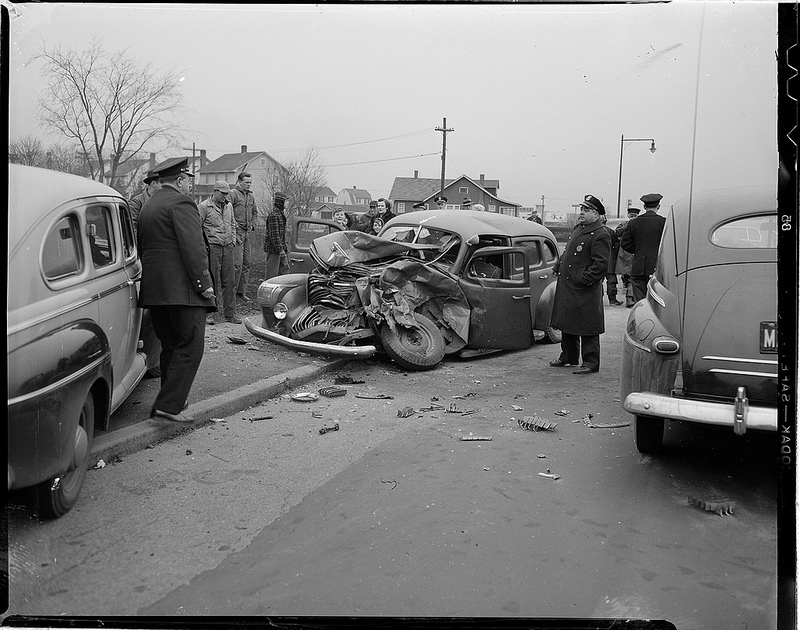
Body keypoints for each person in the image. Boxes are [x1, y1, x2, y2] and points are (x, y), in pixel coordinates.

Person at [137, 157, 216, 423]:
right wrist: (204, 284)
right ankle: (168, 406)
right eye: (186, 180)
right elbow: (194, 249)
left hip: (156, 291)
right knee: (191, 346)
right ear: (180, 180)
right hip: (182, 291)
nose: (188, 186)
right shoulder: (181, 203)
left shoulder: (149, 205)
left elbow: (144, 247)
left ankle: (170, 401)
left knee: (170, 346)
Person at [549, 194, 612, 375]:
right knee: (568, 320)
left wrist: (583, 279)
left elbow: (601, 265)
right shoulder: (580, 228)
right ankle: (568, 356)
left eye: (587, 210)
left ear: (597, 214)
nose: (582, 213)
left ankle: (591, 362)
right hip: (569, 284)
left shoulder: (600, 234)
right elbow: (568, 252)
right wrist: (557, 266)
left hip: (584, 287)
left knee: (587, 324)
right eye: (582, 209)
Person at [198, 181, 240, 325]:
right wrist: (204, 247)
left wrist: (233, 241)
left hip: (227, 247)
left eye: (226, 193)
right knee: (212, 281)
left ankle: (230, 314)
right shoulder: (204, 207)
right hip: (213, 247)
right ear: (215, 191)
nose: (225, 196)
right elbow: (197, 228)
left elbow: (233, 224)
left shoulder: (229, 206)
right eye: (222, 193)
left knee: (230, 281)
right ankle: (210, 314)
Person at [621, 193, 666, 303]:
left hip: (638, 266)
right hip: (657, 267)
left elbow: (625, 244)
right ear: (658, 207)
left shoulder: (633, 223)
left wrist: (637, 250)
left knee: (640, 302)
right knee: (656, 302)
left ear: (644, 207)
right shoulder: (664, 222)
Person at [228, 172, 258, 303]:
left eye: (250, 182)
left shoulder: (251, 196)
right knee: (237, 264)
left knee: (247, 263)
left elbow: (255, 213)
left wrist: (253, 225)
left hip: (247, 234)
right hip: (237, 233)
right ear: (239, 182)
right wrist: (234, 228)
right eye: (246, 182)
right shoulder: (233, 194)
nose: (249, 184)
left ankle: (242, 291)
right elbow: (227, 213)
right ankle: (231, 292)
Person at [615, 208, 640, 307]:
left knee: (632, 277)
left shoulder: (639, 225)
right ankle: (630, 298)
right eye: (631, 216)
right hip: (625, 254)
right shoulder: (623, 224)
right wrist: (627, 225)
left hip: (635, 254)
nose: (632, 218)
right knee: (627, 277)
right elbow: (617, 233)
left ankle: (630, 298)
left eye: (634, 216)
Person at [264, 191, 289, 279]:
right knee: (272, 275)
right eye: (286, 201)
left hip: (282, 250)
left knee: (283, 273)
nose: (287, 203)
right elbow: (274, 236)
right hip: (274, 251)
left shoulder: (281, 215)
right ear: (280, 202)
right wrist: (280, 250)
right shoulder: (274, 216)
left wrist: (284, 249)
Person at [128, 169, 161, 234]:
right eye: (162, 183)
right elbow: (131, 228)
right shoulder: (136, 202)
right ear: (153, 183)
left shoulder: (164, 201)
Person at [603, 215, 623, 305]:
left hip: (596, 259)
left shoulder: (593, 231)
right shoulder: (610, 232)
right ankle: (612, 300)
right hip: (610, 259)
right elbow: (617, 245)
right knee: (611, 281)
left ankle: (598, 299)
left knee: (597, 281)